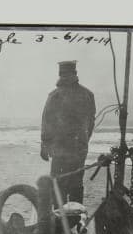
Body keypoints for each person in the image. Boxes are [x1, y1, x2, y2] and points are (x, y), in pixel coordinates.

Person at [40, 60, 96, 204]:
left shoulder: (54, 95)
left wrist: (45, 146)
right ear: (75, 73)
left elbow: (47, 122)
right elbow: (90, 124)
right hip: (78, 150)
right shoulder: (88, 94)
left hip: (59, 150)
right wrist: (83, 142)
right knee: (76, 185)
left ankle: (60, 220)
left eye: (63, 73)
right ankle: (76, 220)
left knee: (58, 186)